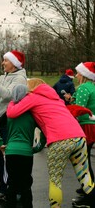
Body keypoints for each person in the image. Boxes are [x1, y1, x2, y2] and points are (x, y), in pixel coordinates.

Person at [6, 78, 95, 208]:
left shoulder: (33, 97)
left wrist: (12, 102)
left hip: (60, 140)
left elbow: (12, 113)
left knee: (55, 181)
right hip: (79, 137)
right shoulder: (56, 99)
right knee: (85, 178)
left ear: (31, 88)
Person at [0, 50, 27, 202]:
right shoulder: (4, 76)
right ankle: (4, 187)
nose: (2, 63)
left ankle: (14, 190)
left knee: (9, 158)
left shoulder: (20, 78)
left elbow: (8, 95)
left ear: (14, 63)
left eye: (5, 61)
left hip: (9, 122)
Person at [0, 84, 46, 207]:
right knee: (26, 186)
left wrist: (0, 144)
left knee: (12, 184)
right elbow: (44, 130)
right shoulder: (32, 114)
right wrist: (38, 147)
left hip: (11, 152)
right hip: (26, 153)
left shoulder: (9, 113)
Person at [66, 62, 95, 206]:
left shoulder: (84, 87)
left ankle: (90, 195)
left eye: (78, 73)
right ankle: (88, 189)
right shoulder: (92, 87)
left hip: (86, 126)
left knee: (83, 162)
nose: (76, 75)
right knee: (86, 160)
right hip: (92, 125)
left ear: (84, 74)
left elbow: (79, 109)